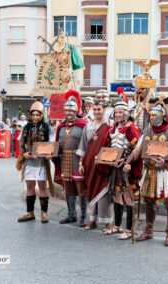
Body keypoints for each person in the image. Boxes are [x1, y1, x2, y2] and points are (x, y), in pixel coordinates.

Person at [124, 94, 168, 246]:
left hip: (165, 173)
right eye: (150, 116)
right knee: (149, 201)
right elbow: (137, 150)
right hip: (150, 171)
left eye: (154, 116)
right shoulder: (147, 132)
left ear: (162, 117)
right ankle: (149, 230)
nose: (151, 118)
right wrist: (128, 162)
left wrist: (167, 160)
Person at [100, 101, 142, 239]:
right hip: (113, 168)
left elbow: (137, 149)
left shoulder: (131, 129)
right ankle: (118, 226)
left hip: (125, 168)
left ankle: (129, 230)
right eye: (116, 112)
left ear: (126, 114)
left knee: (127, 197)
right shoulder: (112, 129)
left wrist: (126, 161)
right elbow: (107, 145)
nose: (117, 115)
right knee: (116, 195)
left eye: (120, 112)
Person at [77, 100, 113, 231]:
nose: (97, 111)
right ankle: (93, 220)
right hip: (89, 164)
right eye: (95, 109)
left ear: (104, 109)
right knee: (91, 189)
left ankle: (108, 221)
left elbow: (113, 145)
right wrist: (81, 163)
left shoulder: (110, 125)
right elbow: (83, 146)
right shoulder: (88, 126)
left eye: (99, 109)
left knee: (104, 191)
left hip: (104, 164)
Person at [54, 90, 89, 227]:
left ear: (76, 111)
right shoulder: (61, 127)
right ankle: (71, 214)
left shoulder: (83, 125)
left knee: (81, 190)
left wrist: (84, 161)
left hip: (78, 160)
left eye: (71, 111)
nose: (68, 113)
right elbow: (58, 143)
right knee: (68, 189)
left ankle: (84, 217)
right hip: (65, 160)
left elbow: (87, 143)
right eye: (66, 111)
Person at [17, 100, 55, 223]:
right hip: (29, 162)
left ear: (41, 115)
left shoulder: (47, 127)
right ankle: (30, 212)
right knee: (30, 186)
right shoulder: (26, 127)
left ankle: (44, 212)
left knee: (43, 186)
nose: (35, 117)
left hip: (42, 162)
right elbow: (21, 142)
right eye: (33, 115)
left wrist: (49, 154)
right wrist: (24, 153)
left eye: (37, 115)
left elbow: (53, 143)